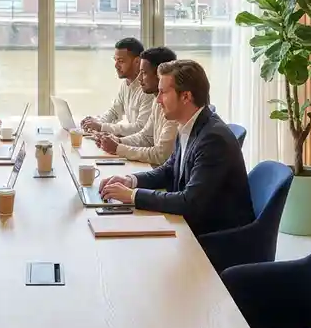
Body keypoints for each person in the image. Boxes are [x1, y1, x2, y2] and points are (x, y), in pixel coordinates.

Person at [99, 59, 254, 236]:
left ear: (186, 96)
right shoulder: (188, 124)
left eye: (163, 93)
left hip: (217, 237)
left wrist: (132, 195)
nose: (157, 100)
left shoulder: (213, 139)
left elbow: (189, 202)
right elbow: (170, 169)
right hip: (194, 223)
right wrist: (130, 180)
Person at [96, 46, 178, 166]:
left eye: (144, 73)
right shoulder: (157, 101)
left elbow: (161, 155)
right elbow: (146, 137)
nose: (139, 78)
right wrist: (118, 141)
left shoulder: (174, 108)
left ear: (160, 75)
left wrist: (119, 148)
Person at [80, 37, 153, 137]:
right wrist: (94, 124)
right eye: (115, 60)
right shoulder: (125, 84)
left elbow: (140, 128)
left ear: (137, 62)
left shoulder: (148, 89)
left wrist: (101, 126)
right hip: (133, 143)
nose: (116, 65)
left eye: (121, 61)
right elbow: (114, 111)